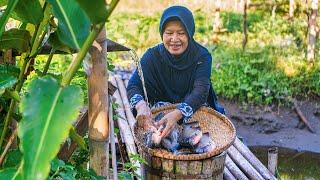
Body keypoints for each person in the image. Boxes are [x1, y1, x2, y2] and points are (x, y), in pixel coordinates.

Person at [127, 5, 225, 139]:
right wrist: (141, 106)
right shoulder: (152, 56)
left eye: (181, 33)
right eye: (169, 33)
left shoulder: (202, 56)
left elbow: (201, 91)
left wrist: (178, 113)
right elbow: (133, 85)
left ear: (190, 33)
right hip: (160, 115)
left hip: (196, 111)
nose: (174, 39)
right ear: (162, 33)